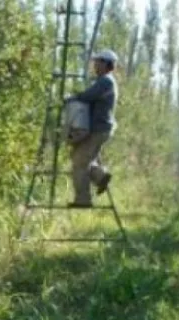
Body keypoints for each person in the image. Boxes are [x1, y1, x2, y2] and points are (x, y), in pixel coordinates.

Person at [65, 50, 118, 207]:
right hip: (101, 128)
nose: (95, 65)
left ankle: (83, 200)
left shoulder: (105, 81)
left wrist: (72, 98)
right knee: (80, 157)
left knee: (79, 162)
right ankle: (101, 177)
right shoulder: (106, 81)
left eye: (98, 62)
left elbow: (88, 96)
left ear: (106, 64)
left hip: (98, 129)